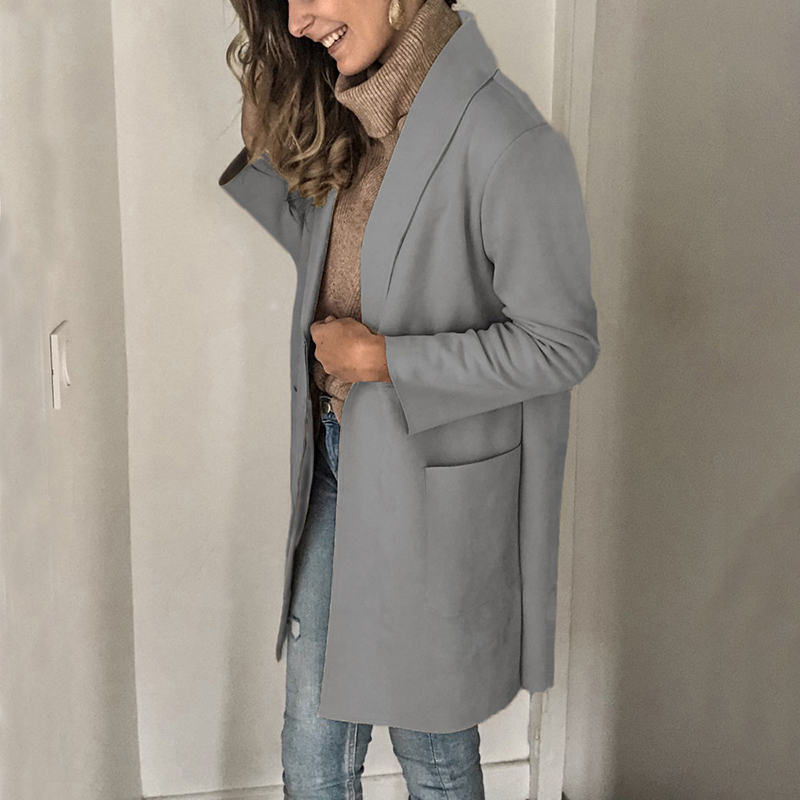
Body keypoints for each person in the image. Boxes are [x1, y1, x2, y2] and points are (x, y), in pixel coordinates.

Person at [219, 0, 599, 796]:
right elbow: (353, 266)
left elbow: (560, 346)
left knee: (431, 752)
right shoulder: (354, 115)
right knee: (312, 746)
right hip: (335, 461)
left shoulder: (504, 137)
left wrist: (383, 360)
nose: (297, 21)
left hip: (430, 484)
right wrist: (265, 151)